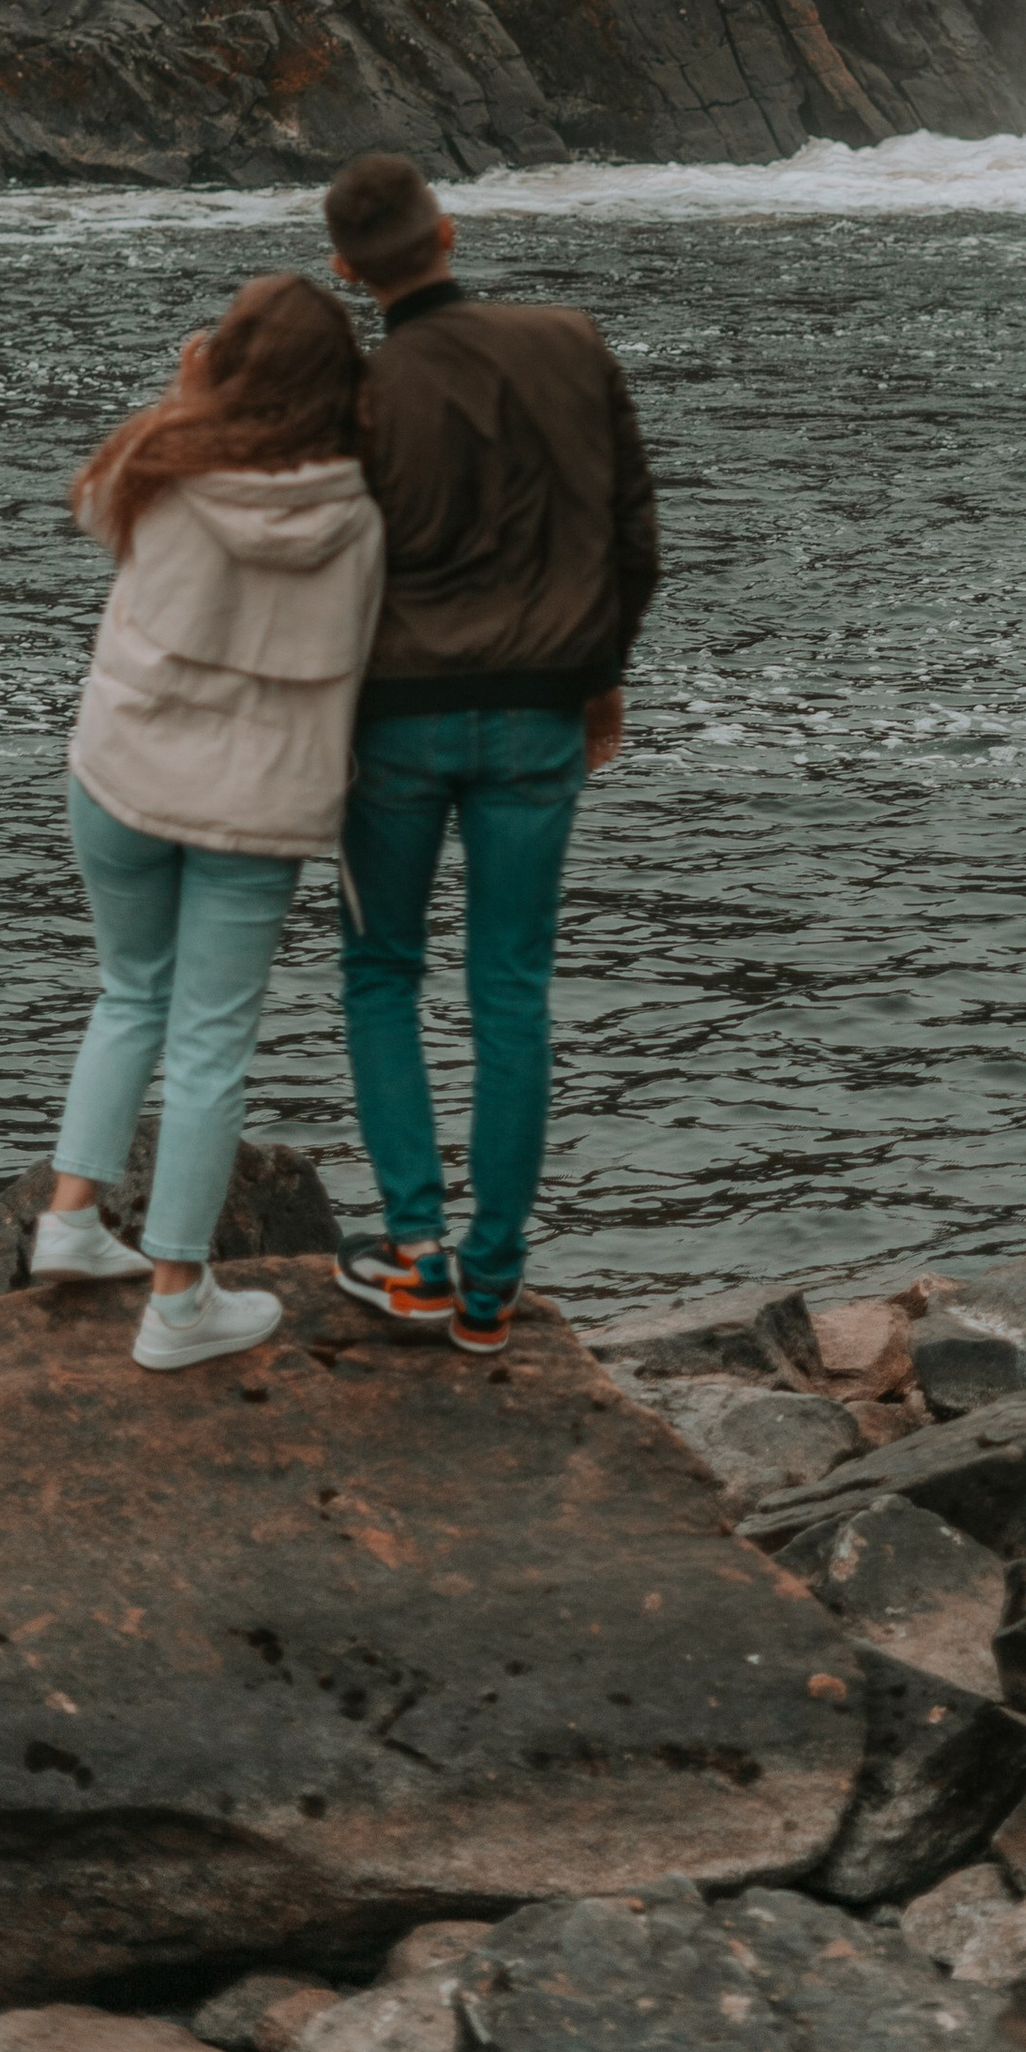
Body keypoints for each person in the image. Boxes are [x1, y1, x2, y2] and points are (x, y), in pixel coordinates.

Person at [321, 151, 659, 1356]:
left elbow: (329, 572)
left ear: (346, 271)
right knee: (511, 991)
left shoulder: (360, 394)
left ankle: (416, 1252)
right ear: (449, 232)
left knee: (382, 973)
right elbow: (633, 538)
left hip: (392, 725)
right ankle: (492, 1284)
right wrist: (601, 678)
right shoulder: (571, 342)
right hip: (537, 715)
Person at [39, 274, 384, 1371]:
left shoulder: (161, 460)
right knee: (208, 1045)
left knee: (129, 993)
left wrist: (186, 396)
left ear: (223, 361)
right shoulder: (363, 508)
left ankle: (70, 1218)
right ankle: (178, 1301)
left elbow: (93, 515)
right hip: (253, 805)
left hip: (121, 771)